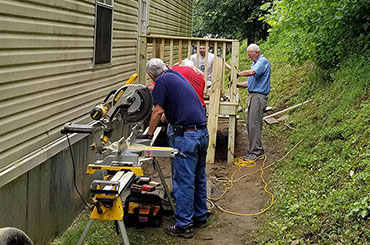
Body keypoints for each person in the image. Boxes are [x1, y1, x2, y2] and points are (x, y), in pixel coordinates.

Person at [143, 58, 209, 238]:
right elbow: (168, 112)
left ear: (151, 75)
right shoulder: (176, 76)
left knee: (183, 181)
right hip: (202, 133)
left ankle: (184, 226)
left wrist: (148, 135)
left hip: (186, 137)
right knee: (198, 177)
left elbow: (157, 111)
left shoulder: (161, 82)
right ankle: (200, 216)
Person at [236, 43, 270, 162]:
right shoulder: (255, 63)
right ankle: (254, 149)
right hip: (254, 96)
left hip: (258, 97)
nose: (250, 57)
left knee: (254, 124)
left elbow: (251, 73)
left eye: (250, 55)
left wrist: (238, 74)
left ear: (256, 52)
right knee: (251, 124)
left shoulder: (262, 62)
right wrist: (237, 85)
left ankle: (256, 151)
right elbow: (250, 82)